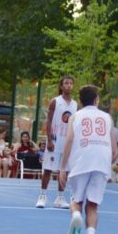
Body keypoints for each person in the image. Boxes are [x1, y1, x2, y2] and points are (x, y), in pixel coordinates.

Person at [59, 84, 116, 234]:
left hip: (81, 160)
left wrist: (63, 167)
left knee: (77, 201)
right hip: (101, 161)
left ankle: (76, 215)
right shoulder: (107, 118)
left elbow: (69, 141)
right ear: (96, 99)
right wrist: (108, 163)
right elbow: (115, 149)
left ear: (80, 101)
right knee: (93, 205)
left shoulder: (75, 116)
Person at [37, 75, 77, 209]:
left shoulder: (75, 104)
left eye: (71, 83)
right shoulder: (55, 101)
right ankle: (42, 196)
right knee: (48, 169)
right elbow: (48, 121)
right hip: (55, 140)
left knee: (64, 170)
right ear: (61, 86)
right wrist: (49, 139)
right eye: (66, 83)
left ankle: (60, 198)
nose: (69, 85)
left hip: (67, 142)